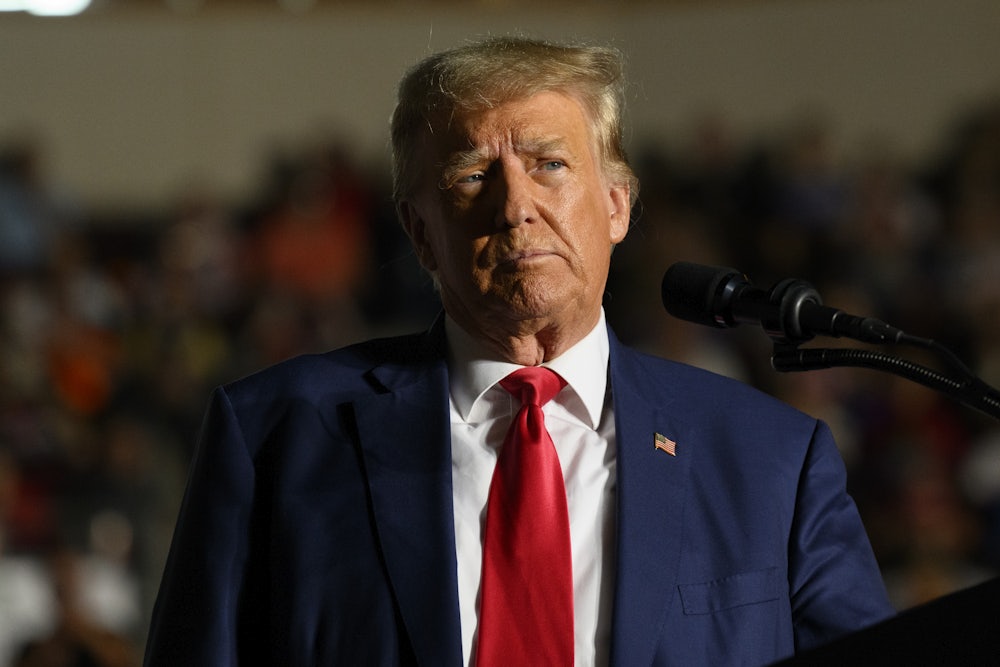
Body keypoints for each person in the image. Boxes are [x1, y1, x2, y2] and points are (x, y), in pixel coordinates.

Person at [143, 36, 895, 666]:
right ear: (419, 233)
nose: (514, 205)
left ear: (617, 204)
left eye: (550, 164)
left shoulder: (773, 458)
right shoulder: (274, 435)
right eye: (472, 176)